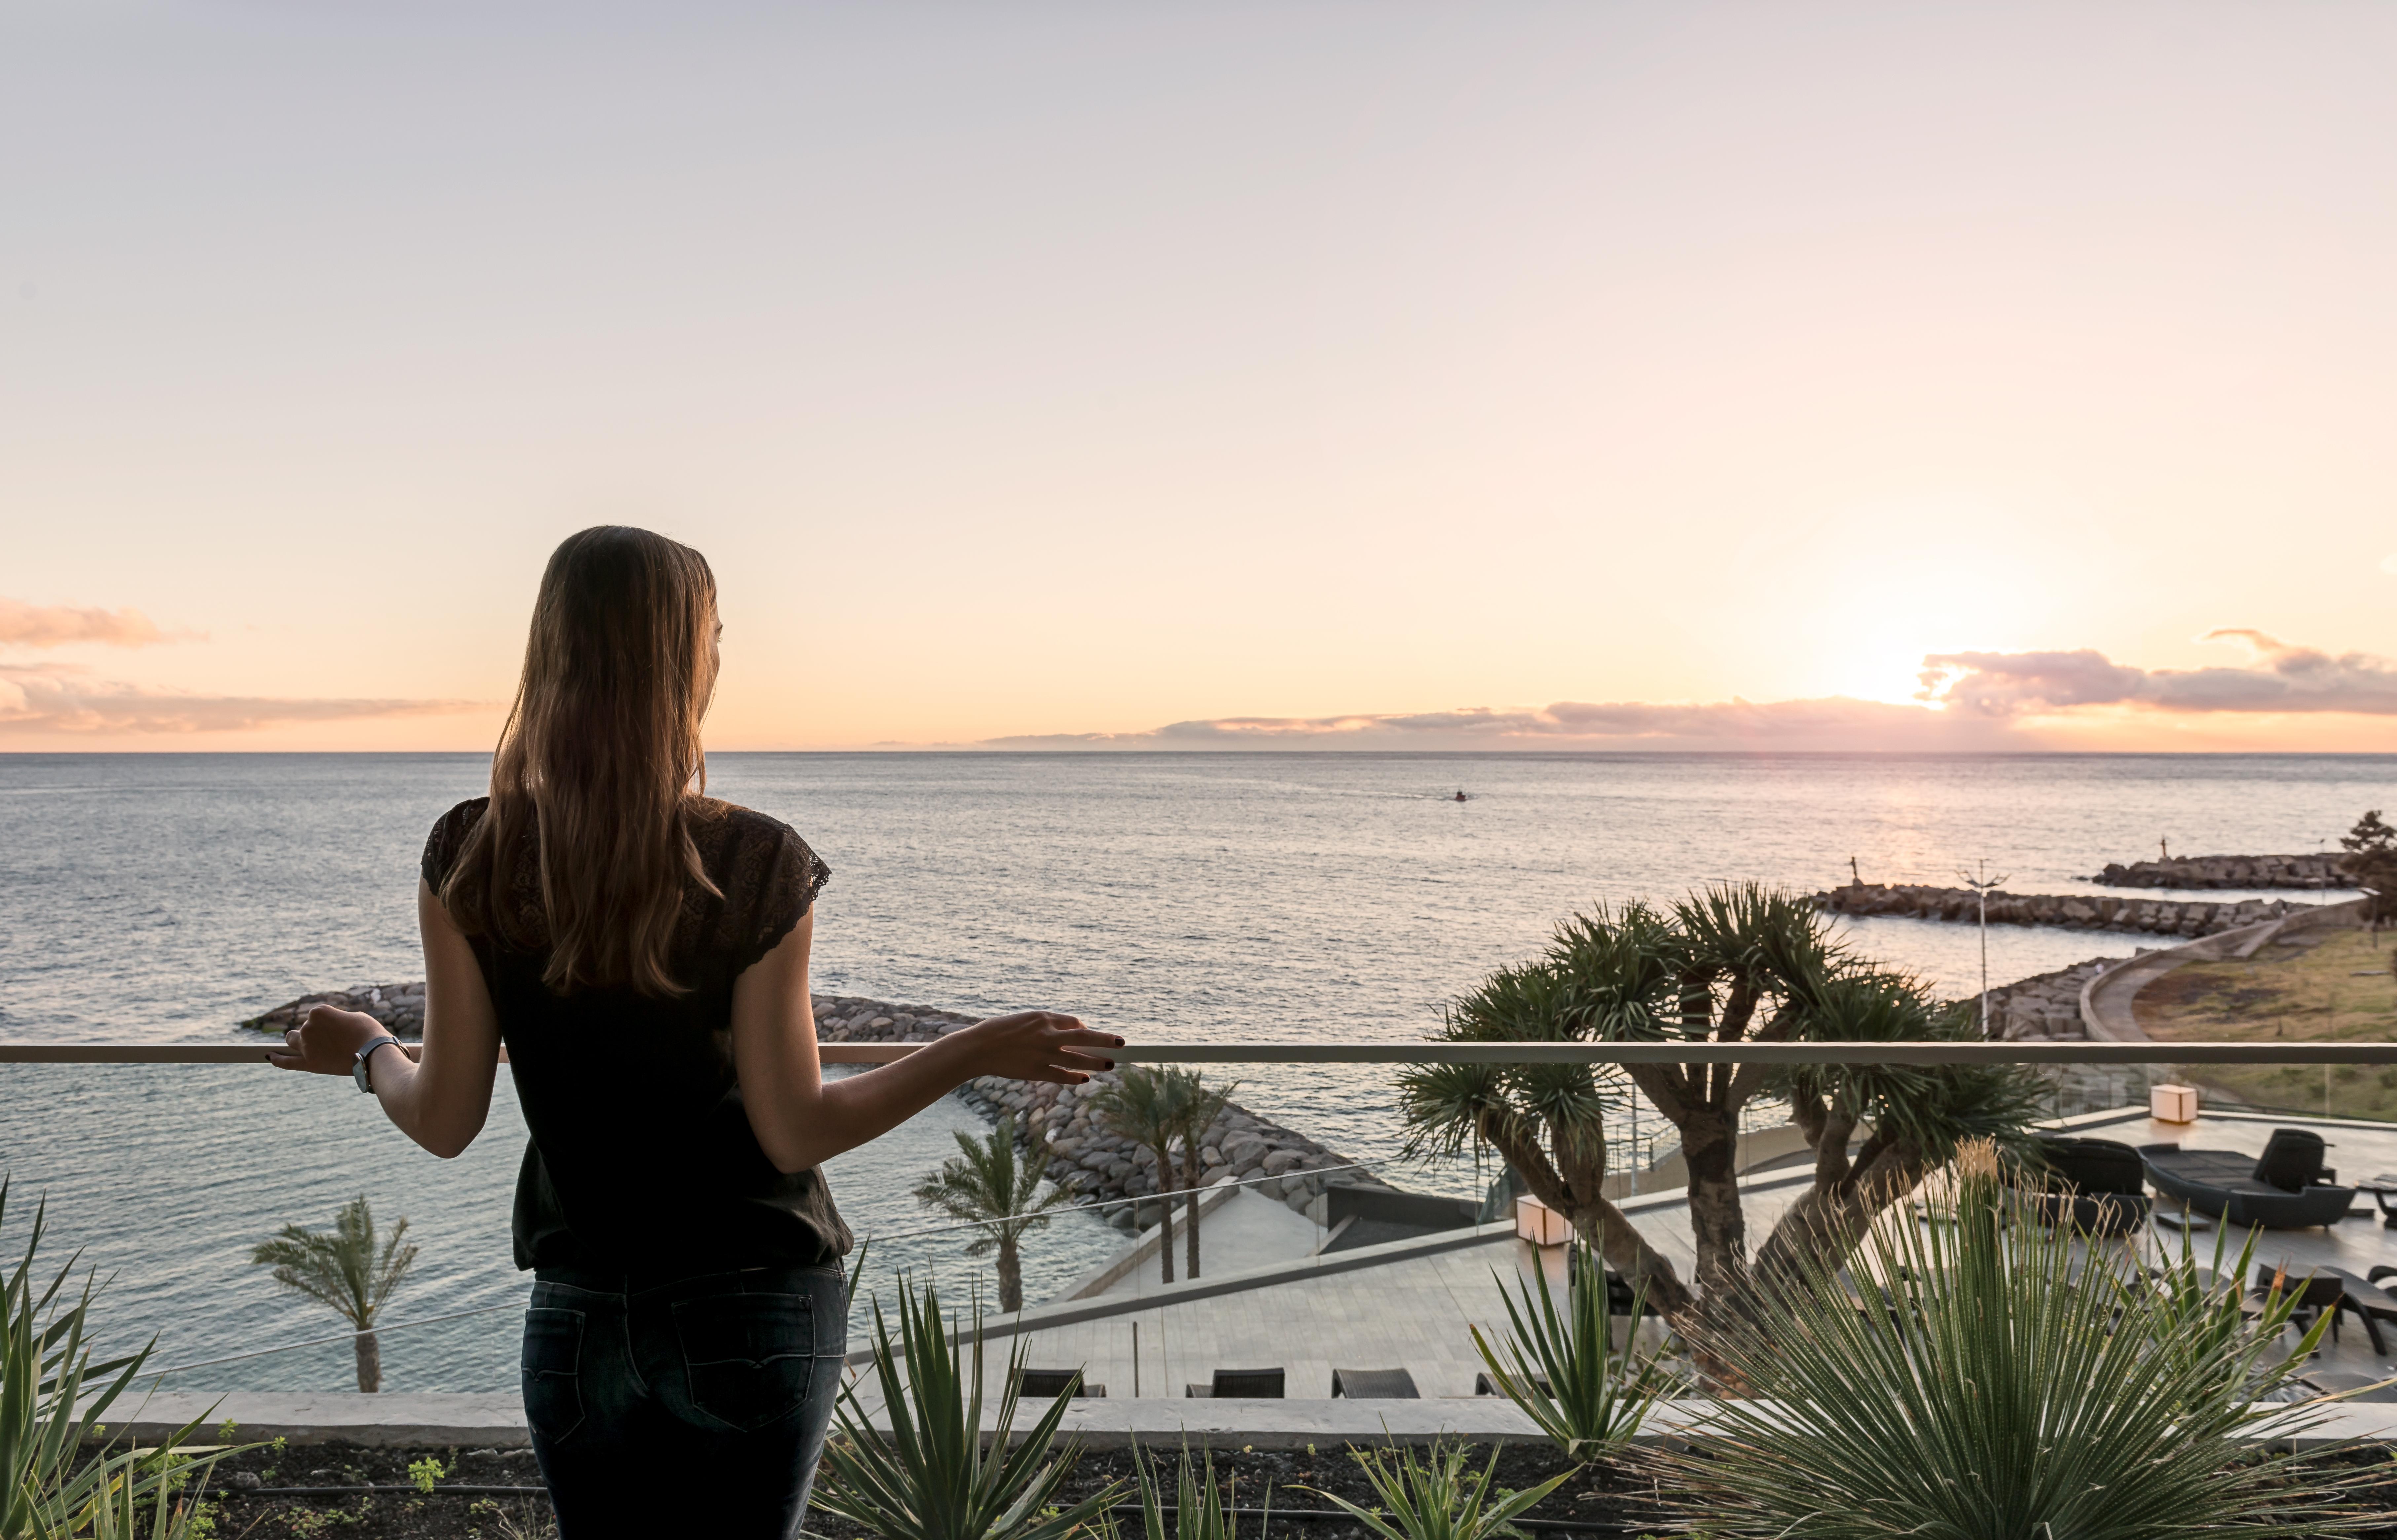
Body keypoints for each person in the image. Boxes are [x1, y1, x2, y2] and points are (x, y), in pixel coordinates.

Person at [268, 526, 1120, 1539]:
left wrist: (369, 1048)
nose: (721, 653)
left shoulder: (473, 850)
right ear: (680, 660)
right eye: (713, 634)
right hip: (755, 1304)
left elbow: (447, 1118)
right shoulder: (755, 863)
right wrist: (974, 1048)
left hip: (578, 1312)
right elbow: (795, 1130)